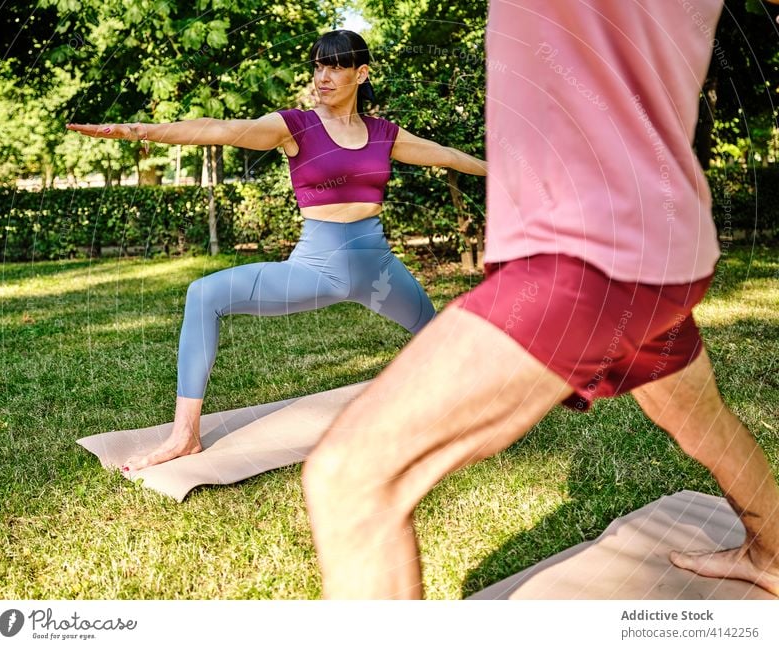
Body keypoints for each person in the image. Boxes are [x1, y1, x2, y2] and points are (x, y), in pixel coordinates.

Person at [302, 1, 779, 598]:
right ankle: (775, 551)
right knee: (695, 417)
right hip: (656, 244)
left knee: (351, 478)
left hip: (590, 257)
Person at [68, 30, 487, 472]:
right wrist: (141, 131)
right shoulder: (295, 126)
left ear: (361, 74)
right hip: (315, 270)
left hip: (379, 270)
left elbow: (445, 155)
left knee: (443, 341)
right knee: (203, 295)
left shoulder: (385, 133)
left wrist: (497, 172)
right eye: (318, 66)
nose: (322, 76)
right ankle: (184, 436)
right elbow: (220, 130)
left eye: (336, 66)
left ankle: (531, 391)